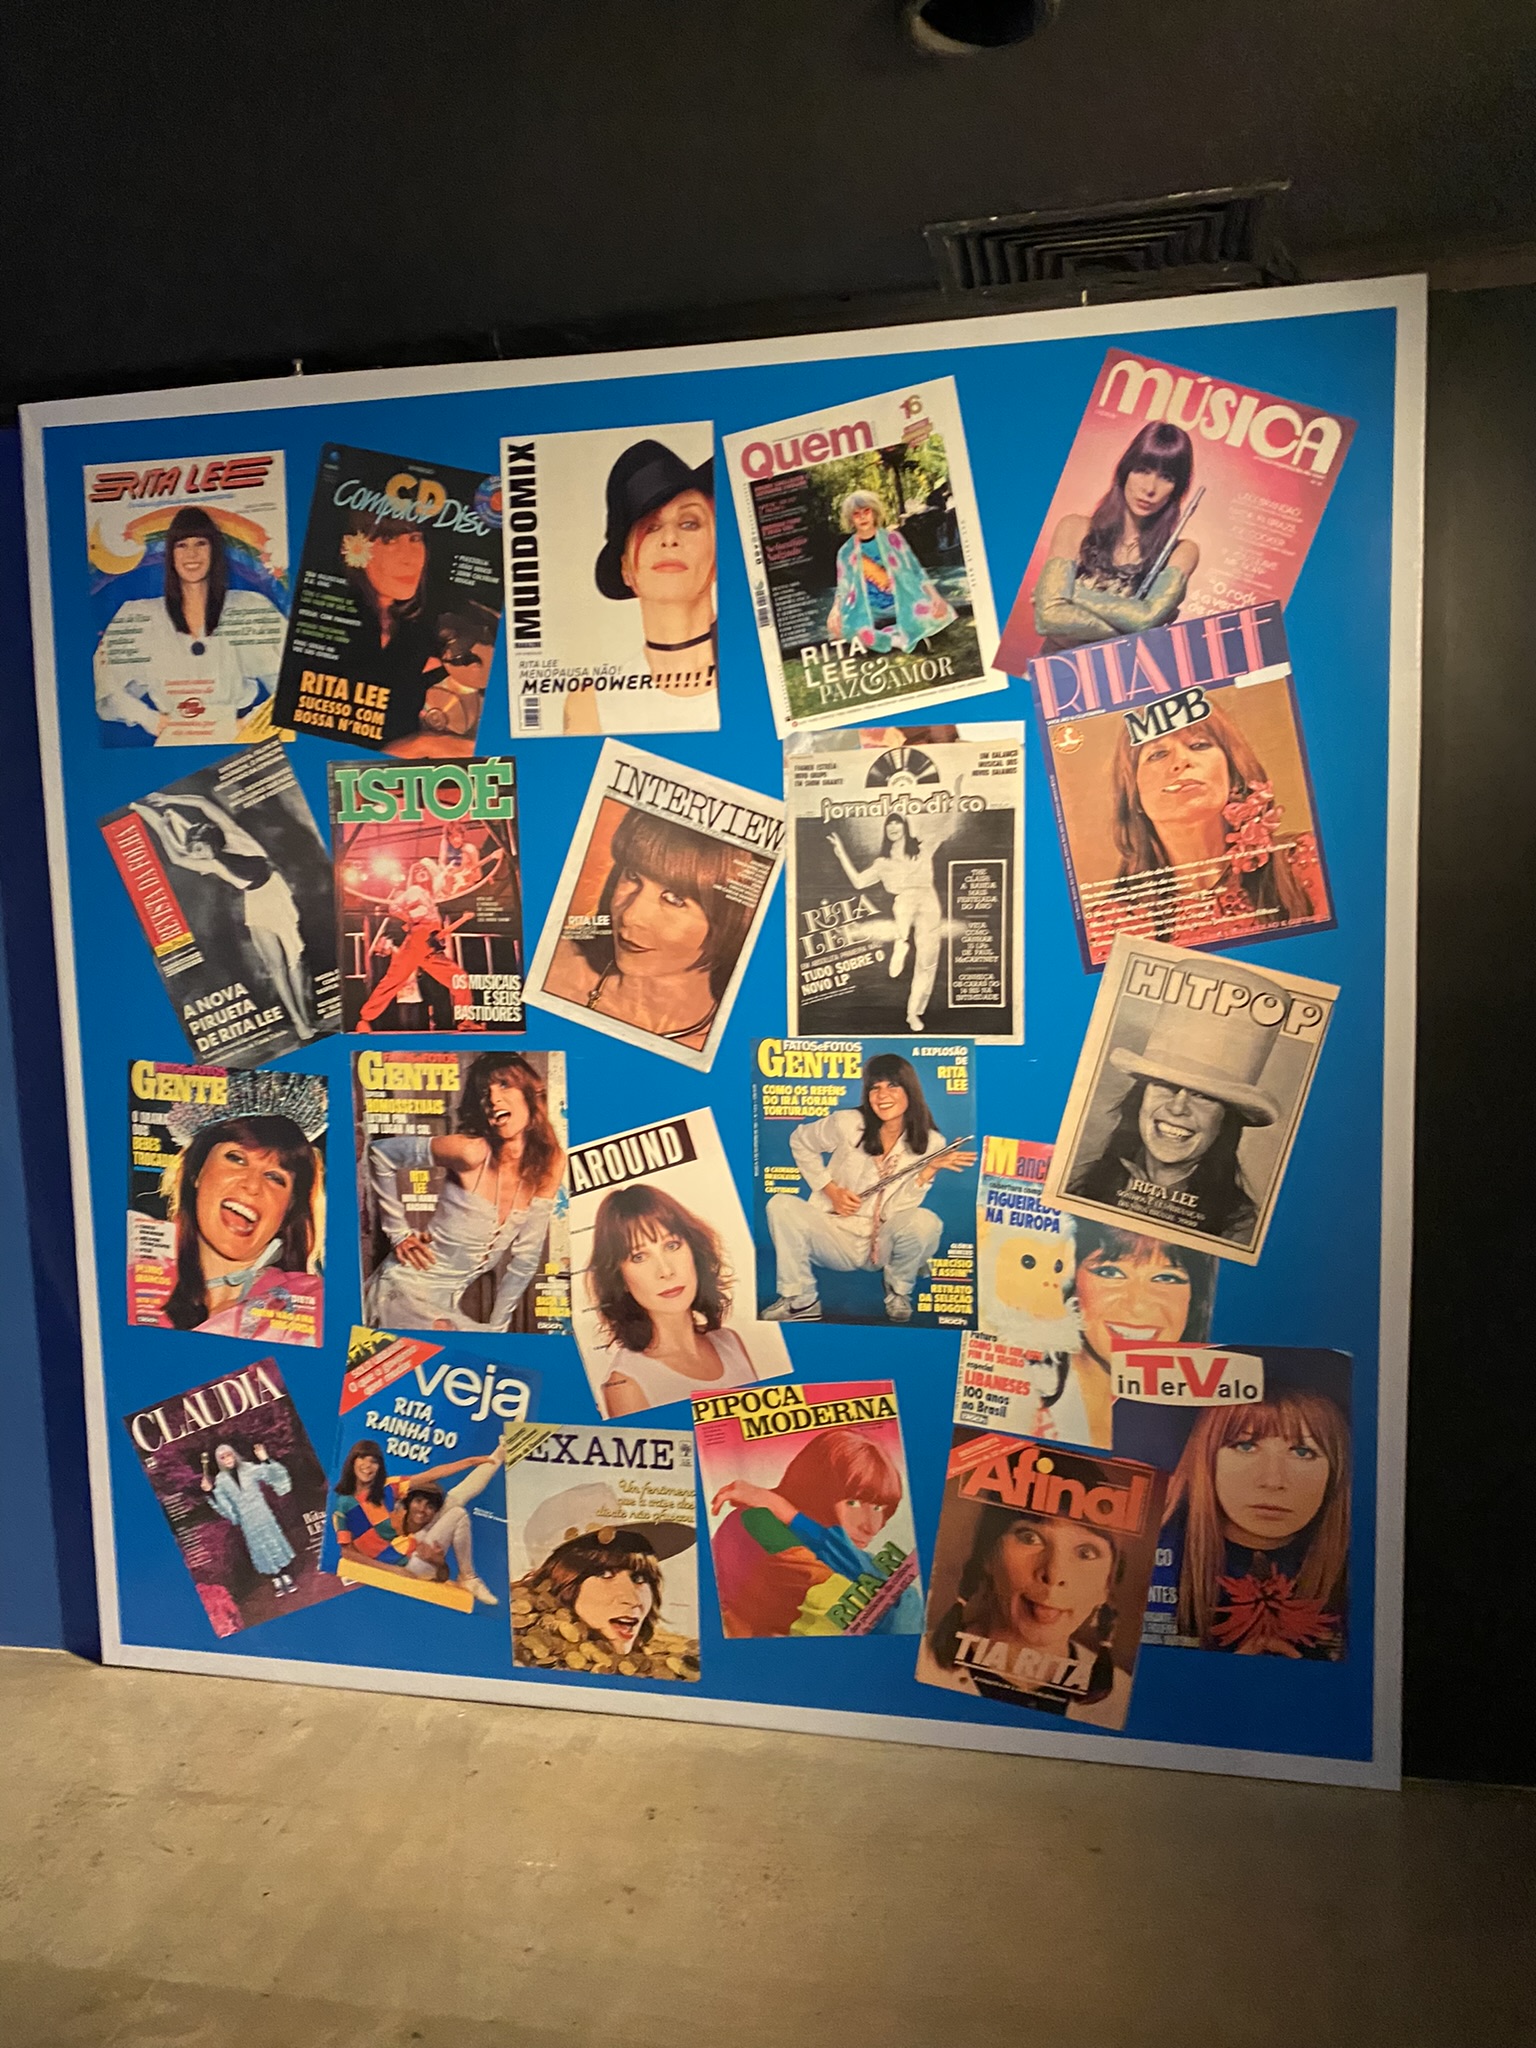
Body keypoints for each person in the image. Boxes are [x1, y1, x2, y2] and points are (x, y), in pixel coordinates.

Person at [1064, 981, 1291, 1247]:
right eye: (1166, 1086)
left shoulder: (1238, 1225)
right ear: (1141, 1098)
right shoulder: (1080, 1182)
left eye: (1203, 1096)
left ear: (1225, 1120)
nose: (1177, 1107)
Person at [1094, 696, 1323, 951]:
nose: (1181, 761)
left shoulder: (1304, 862)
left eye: (1199, 744)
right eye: (1157, 754)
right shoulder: (1111, 925)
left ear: (1233, 775)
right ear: (1133, 795)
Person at [762, 1053, 975, 1324]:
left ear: (910, 1090)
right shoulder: (847, 1122)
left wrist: (928, 1171)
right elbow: (800, 1141)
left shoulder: (933, 1143)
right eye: (875, 1087)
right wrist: (830, 1190)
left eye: (892, 1085)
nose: (882, 1095)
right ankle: (801, 1300)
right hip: (833, 1235)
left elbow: (897, 1212)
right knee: (780, 1204)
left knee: (925, 1222)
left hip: (881, 1243)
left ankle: (898, 1290)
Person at [363, 1052, 564, 1332]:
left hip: (446, 1305)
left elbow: (525, 1260)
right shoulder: (471, 1152)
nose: (493, 1099)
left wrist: (498, 1327)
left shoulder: (550, 1162)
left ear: (531, 1092)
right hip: (404, 1290)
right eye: (484, 1093)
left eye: (504, 1085)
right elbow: (381, 1154)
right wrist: (398, 1232)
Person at [543, 807, 770, 1052]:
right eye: (633, 876)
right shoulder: (553, 964)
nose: (630, 916)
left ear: (732, 921)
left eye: (675, 899)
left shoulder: (726, 1044)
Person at [1158, 1392, 1349, 1658]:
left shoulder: (1360, 1572)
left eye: (1302, 1452)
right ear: (1206, 1458)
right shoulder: (1156, 1557)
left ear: (1335, 1472)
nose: (1273, 1480)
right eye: (1246, 1446)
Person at [918, 1501, 1131, 1725]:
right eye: (1030, 1537)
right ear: (989, 1555)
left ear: (1106, 1587)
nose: (1054, 1574)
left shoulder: (1121, 1699)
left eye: (1086, 1553)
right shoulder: (922, 1664)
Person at [131, 789, 318, 1042]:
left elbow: (201, 801)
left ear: (208, 840)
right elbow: (176, 858)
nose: (197, 856)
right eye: (195, 852)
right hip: (256, 905)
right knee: (276, 968)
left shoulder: (235, 836)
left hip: (278, 897)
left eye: (198, 849)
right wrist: (163, 827)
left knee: (294, 961)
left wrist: (169, 799)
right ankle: (298, 1023)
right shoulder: (213, 864)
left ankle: (306, 1018)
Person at [94, 505, 286, 743]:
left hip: (235, 739)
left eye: (201, 543)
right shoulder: (141, 615)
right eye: (182, 545)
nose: (191, 554)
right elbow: (103, 687)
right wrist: (149, 719)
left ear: (214, 550)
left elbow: (292, 682)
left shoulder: (248, 607)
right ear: (171, 555)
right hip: (172, 744)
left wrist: (249, 724)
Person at [706, 1426, 923, 1638]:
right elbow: (892, 1621)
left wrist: (792, 1516)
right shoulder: (757, 1522)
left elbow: (908, 1604)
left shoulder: (836, 1550)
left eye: (878, 1508)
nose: (872, 1526)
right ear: (817, 1489)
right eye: (853, 1503)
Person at [567, 439, 717, 733]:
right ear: (626, 569)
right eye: (651, 527)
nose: (669, 539)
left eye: (689, 523)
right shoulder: (591, 703)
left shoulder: (759, 672)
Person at [588, 1183, 765, 1417]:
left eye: (672, 1245)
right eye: (639, 1257)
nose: (665, 1270)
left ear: (693, 1251)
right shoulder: (626, 1384)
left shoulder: (730, 1342)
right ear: (620, 1279)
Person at [1035, 1222, 1216, 1450]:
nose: (1138, 1306)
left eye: (1166, 1278)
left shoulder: (1207, 1428)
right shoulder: (1024, 1400)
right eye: (1110, 1273)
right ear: (1069, 1281)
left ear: (1194, 1299)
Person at [1033, 422, 1200, 652]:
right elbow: (1048, 618)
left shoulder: (1181, 552)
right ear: (1125, 470)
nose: (1150, 488)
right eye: (1142, 470)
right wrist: (1130, 629)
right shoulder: (1074, 528)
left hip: (1119, 671)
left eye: (1166, 477)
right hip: (1056, 667)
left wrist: (1071, 594)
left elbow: (1145, 620)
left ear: (1177, 488)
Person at [158, 1113, 323, 1343]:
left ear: (287, 1212)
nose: (253, 1185)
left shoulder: (316, 1304)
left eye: (275, 1177)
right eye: (237, 1158)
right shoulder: (136, 1284)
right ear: (197, 1172)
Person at [511, 1505, 699, 1679]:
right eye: (605, 1574)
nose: (633, 1599)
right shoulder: (518, 1658)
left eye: (640, 1578)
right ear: (562, 1581)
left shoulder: (674, 1660)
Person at [329, 1439, 500, 1606]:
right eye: (362, 1458)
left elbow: (432, 1474)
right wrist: (393, 1570)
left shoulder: (387, 1487)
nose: (367, 1465)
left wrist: (470, 1462)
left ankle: (500, 1453)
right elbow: (347, 1552)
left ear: (379, 1466)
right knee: (458, 1514)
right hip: (406, 1566)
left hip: (412, 1551)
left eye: (373, 1461)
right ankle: (468, 1577)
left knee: (455, 1499)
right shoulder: (343, 1506)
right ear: (352, 1461)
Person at [825, 812, 944, 1032]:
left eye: (897, 822)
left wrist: (956, 797)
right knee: (903, 904)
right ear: (885, 830)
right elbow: (859, 882)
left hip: (929, 902)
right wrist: (840, 853)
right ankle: (901, 941)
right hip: (905, 903)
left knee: (927, 961)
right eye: (889, 824)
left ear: (905, 826)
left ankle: (913, 1013)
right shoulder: (882, 863)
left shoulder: (922, 850)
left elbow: (943, 827)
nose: (893, 827)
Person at [346, 858, 476, 1031]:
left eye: (423, 870)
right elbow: (394, 907)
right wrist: (410, 919)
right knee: (393, 981)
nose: (420, 872)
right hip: (416, 942)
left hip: (429, 945)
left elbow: (445, 882)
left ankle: (466, 1020)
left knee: (458, 978)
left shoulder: (430, 895)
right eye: (417, 871)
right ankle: (365, 1019)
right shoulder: (414, 891)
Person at [826, 489, 955, 654]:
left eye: (866, 511)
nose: (862, 517)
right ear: (851, 519)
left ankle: (884, 635)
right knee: (841, 628)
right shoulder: (846, 551)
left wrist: (936, 597)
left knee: (938, 613)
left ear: (874, 512)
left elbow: (916, 570)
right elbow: (843, 587)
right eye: (856, 514)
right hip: (869, 609)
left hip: (903, 602)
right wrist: (835, 610)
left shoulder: (893, 538)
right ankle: (897, 640)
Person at [201, 1441, 299, 1600]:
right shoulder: (221, 1481)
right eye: (223, 1458)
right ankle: (275, 1577)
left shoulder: (248, 1468)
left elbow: (271, 1474)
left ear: (234, 1455)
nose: (227, 1459)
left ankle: (285, 1574)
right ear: (219, 1461)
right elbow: (223, 1504)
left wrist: (265, 1459)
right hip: (247, 1520)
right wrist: (210, 1492)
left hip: (262, 1514)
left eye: (229, 1455)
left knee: (273, 1540)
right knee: (259, 1547)